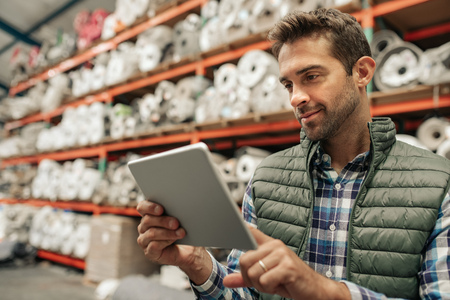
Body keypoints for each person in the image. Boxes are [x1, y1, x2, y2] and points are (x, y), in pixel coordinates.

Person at [136, 8, 450, 300]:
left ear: (362, 73)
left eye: (311, 77)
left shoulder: (437, 184)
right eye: (288, 84)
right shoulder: (266, 179)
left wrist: (327, 292)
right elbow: (243, 291)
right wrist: (195, 261)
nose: (296, 98)